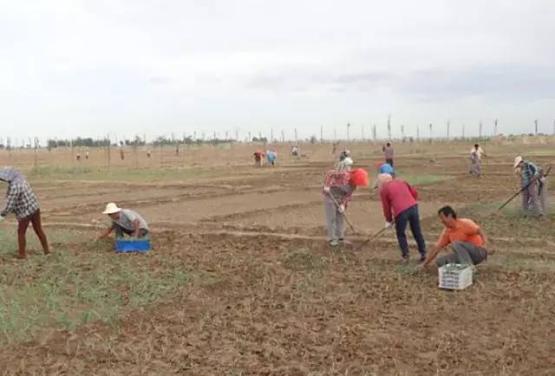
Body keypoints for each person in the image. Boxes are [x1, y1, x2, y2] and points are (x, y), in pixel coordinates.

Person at [0, 167, 49, 259]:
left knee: (21, 232)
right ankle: (47, 251)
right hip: (34, 207)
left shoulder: (14, 186)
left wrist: (2, 214)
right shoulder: (21, 179)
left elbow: (10, 205)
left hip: (25, 212)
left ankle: (22, 254)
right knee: (38, 229)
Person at [379, 173, 426, 263]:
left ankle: (406, 255)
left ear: (383, 182)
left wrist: (388, 220)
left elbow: (386, 207)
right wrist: (410, 202)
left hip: (401, 211)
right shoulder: (402, 182)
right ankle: (423, 252)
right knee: (417, 231)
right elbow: (414, 193)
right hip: (413, 206)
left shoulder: (384, 190)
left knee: (400, 233)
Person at [421, 206, 488, 269]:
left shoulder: (465, 223)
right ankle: (466, 266)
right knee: (440, 261)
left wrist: (485, 244)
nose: (441, 221)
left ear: (450, 216)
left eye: (442, 217)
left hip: (478, 252)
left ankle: (468, 268)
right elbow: (437, 248)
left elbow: (480, 231)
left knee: (456, 244)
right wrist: (425, 264)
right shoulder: (447, 232)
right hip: (466, 257)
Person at [323, 161, 367, 247]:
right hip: (330, 197)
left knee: (340, 217)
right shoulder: (344, 175)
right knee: (331, 218)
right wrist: (327, 185)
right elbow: (330, 173)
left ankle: (340, 237)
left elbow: (348, 195)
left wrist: (343, 205)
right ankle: (332, 239)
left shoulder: (354, 185)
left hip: (340, 199)